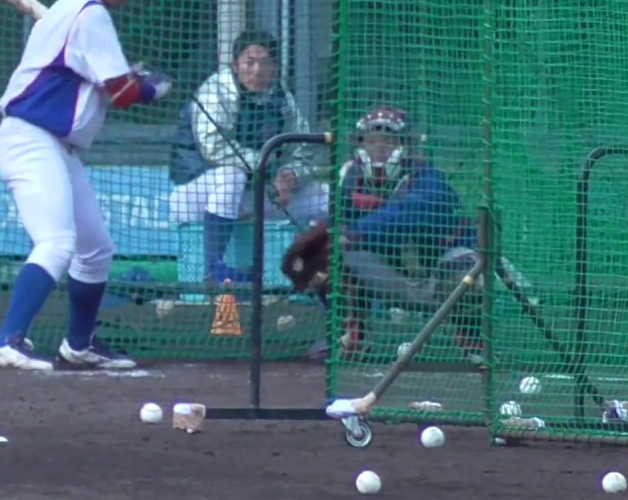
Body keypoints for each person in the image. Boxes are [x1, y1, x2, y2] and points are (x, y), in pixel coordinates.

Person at [0, 0, 172, 372]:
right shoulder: (89, 13)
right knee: (57, 242)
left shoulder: (78, 9)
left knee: (96, 249)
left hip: (55, 145)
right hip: (30, 137)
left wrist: (129, 78)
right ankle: (6, 340)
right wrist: (150, 88)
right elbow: (122, 94)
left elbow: (101, 79)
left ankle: (79, 344)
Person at [304, 105, 481, 361]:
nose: (379, 148)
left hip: (436, 273)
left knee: (468, 271)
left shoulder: (428, 177)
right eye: (371, 140)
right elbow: (337, 219)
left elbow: (408, 212)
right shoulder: (353, 177)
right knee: (322, 252)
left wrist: (355, 233)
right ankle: (353, 335)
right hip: (392, 275)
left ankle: (472, 341)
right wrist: (322, 236)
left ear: (405, 144)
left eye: (389, 140)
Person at [168, 30, 327, 285]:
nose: (257, 70)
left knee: (325, 196)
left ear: (275, 67)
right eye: (249, 62)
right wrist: (268, 167)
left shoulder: (281, 98)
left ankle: (322, 273)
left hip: (253, 195)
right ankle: (214, 271)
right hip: (197, 195)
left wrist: (290, 176)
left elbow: (305, 149)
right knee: (232, 175)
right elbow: (213, 149)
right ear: (235, 65)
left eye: (265, 63)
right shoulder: (216, 91)